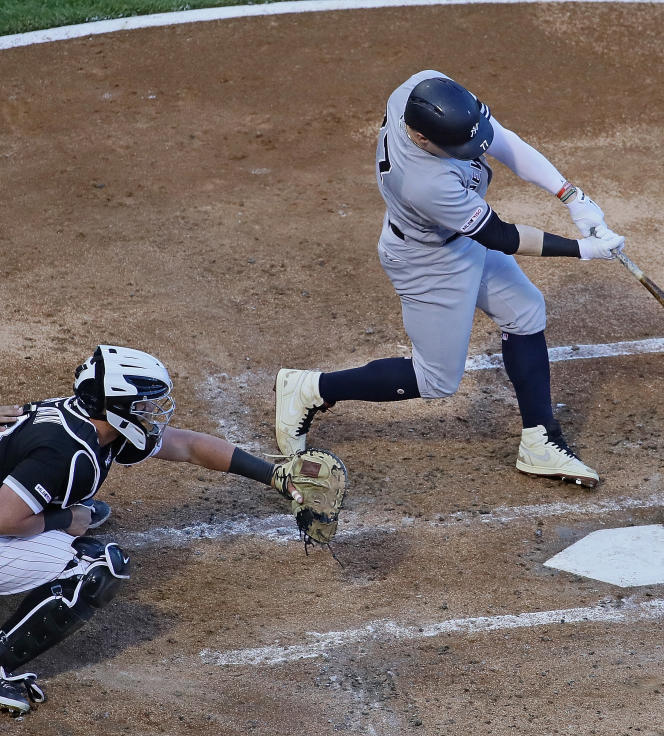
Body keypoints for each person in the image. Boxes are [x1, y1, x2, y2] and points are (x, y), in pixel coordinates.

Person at [276, 70, 624, 487]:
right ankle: (312, 388)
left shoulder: (422, 90)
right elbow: (500, 236)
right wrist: (583, 250)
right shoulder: (424, 183)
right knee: (436, 379)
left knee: (526, 310)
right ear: (420, 138)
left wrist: (572, 196)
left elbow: (501, 139)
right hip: (429, 260)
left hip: (458, 237)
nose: (470, 152)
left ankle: (540, 440)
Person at [0, 345, 321, 714]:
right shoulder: (65, 452)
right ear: (117, 406)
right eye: (144, 404)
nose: (152, 411)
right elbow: (4, 519)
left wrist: (273, 475)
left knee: (82, 511)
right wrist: (64, 520)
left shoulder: (93, 422)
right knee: (95, 569)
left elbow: (188, 446)